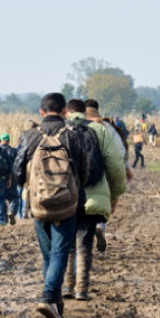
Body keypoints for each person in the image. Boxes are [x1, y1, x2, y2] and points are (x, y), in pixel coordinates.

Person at [14, 92, 90, 318]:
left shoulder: (30, 136)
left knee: (48, 254)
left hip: (39, 205)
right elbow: (84, 170)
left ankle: (55, 303)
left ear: (41, 112)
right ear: (65, 112)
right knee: (59, 253)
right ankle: (49, 298)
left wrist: (28, 186)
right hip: (66, 204)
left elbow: (17, 169)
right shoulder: (72, 136)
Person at [64, 99, 127, 301]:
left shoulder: (61, 130)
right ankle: (81, 289)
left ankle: (67, 286)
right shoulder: (100, 131)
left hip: (65, 197)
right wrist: (114, 196)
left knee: (68, 244)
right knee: (84, 245)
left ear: (67, 112)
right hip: (93, 198)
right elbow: (116, 166)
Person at [83, 99, 129, 255]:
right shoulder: (108, 127)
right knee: (102, 203)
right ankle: (100, 226)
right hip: (104, 173)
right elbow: (120, 154)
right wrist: (116, 193)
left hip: (81, 175)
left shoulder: (75, 126)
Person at [0, 133, 19, 225]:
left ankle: (3, 218)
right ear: (9, 141)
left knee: (1, 198)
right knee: (14, 197)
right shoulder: (14, 151)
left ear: (1, 141)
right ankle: (12, 211)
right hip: (11, 177)